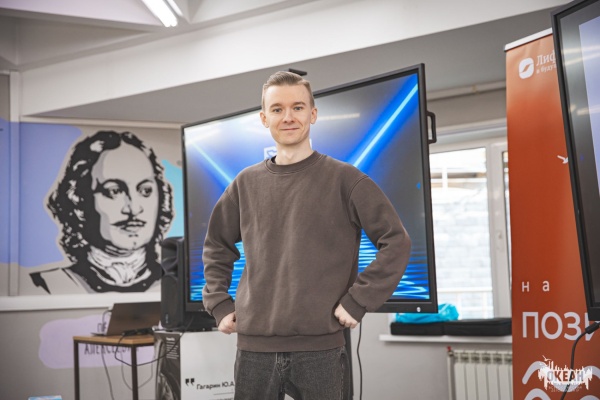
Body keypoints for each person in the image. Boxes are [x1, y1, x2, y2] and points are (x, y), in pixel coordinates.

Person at [202, 71, 412, 400]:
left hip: (321, 351)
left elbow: (396, 242)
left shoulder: (347, 180)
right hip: (254, 349)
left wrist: (358, 300)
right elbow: (216, 244)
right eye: (277, 109)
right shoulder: (244, 184)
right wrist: (217, 302)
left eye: (297, 107)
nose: (288, 117)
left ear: (313, 114)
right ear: (264, 118)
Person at [31, 130, 174, 293]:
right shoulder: (46, 286)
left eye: (146, 190)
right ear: (79, 199)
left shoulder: (180, 284)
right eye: (113, 191)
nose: (133, 208)